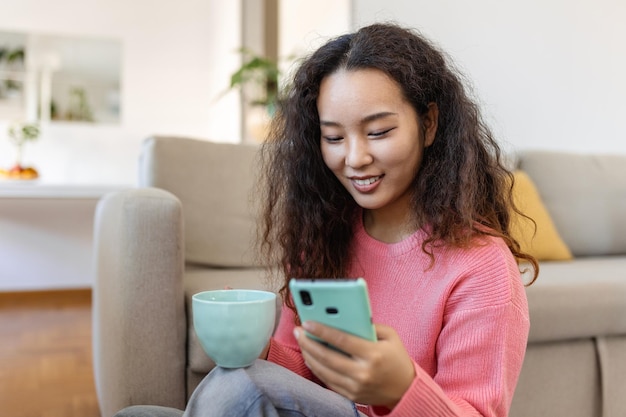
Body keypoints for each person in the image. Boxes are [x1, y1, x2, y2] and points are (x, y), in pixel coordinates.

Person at [115, 22, 538, 417]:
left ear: (428, 125)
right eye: (333, 137)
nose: (354, 158)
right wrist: (260, 346)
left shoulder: (481, 268)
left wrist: (400, 389)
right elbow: (298, 374)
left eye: (378, 132)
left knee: (244, 389)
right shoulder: (326, 235)